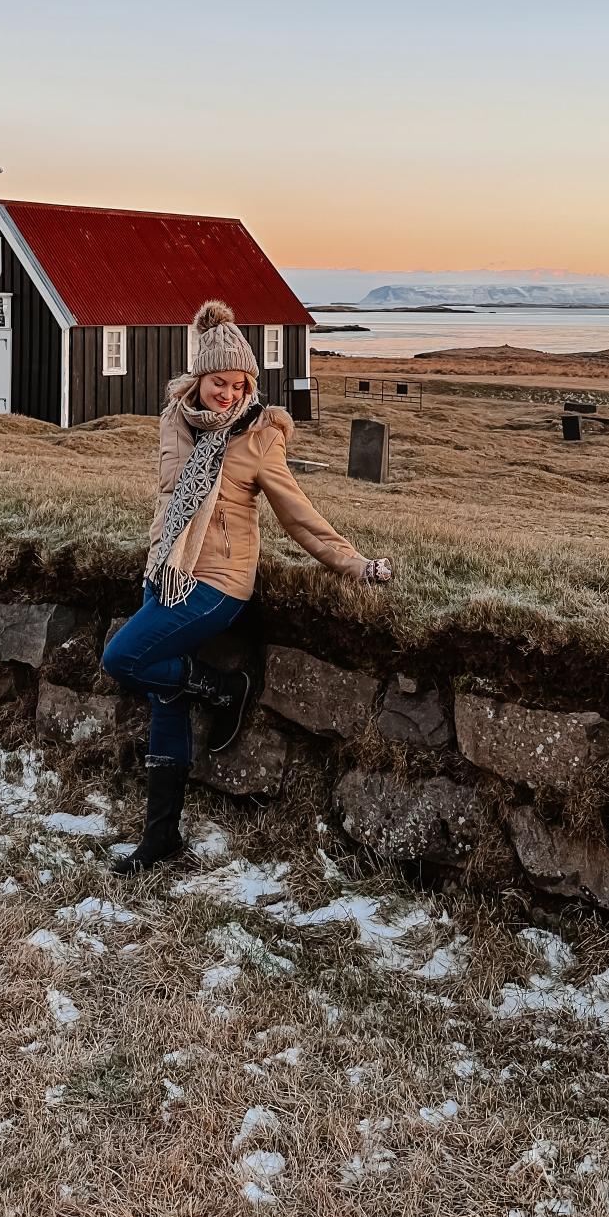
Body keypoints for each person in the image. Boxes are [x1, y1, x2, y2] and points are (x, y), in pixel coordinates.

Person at [103, 299, 393, 873]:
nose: (229, 395)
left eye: (239, 384)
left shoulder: (259, 438)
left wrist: (354, 563)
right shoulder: (175, 420)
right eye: (220, 382)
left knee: (122, 658)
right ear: (198, 378)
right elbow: (171, 499)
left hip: (219, 583)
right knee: (165, 696)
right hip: (167, 569)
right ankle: (161, 837)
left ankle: (221, 687)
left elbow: (297, 513)